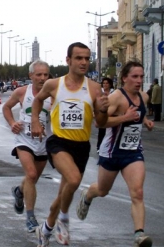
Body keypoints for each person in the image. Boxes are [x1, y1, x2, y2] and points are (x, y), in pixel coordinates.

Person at [30, 42, 109, 246]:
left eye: (87, 58)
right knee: (73, 180)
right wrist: (35, 122)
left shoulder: (94, 88)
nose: (84, 62)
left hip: (81, 146)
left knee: (63, 193)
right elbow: (37, 101)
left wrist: (102, 109)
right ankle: (63, 221)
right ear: (68, 60)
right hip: (59, 143)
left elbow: (100, 123)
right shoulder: (54, 84)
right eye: (79, 58)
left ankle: (45, 229)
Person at [76, 61, 154, 247]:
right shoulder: (116, 97)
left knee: (138, 192)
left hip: (133, 152)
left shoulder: (144, 97)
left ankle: (139, 234)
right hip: (112, 152)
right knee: (102, 191)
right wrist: (124, 118)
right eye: (135, 77)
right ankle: (88, 195)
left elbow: (139, 113)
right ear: (124, 78)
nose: (139, 81)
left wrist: (145, 121)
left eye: (141, 77)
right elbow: (100, 123)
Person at [2, 60, 52, 233]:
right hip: (24, 139)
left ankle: (18, 191)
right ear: (31, 75)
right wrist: (12, 123)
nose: (42, 78)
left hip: (44, 142)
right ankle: (30, 217)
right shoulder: (22, 92)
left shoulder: (53, 95)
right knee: (30, 174)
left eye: (46, 74)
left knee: (32, 179)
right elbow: (6, 107)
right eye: (39, 74)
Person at [96, 77, 114, 152]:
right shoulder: (100, 92)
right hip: (102, 113)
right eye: (104, 83)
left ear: (110, 85)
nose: (105, 84)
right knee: (102, 130)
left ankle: (110, 146)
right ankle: (99, 147)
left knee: (110, 131)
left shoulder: (113, 92)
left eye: (107, 83)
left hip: (111, 113)